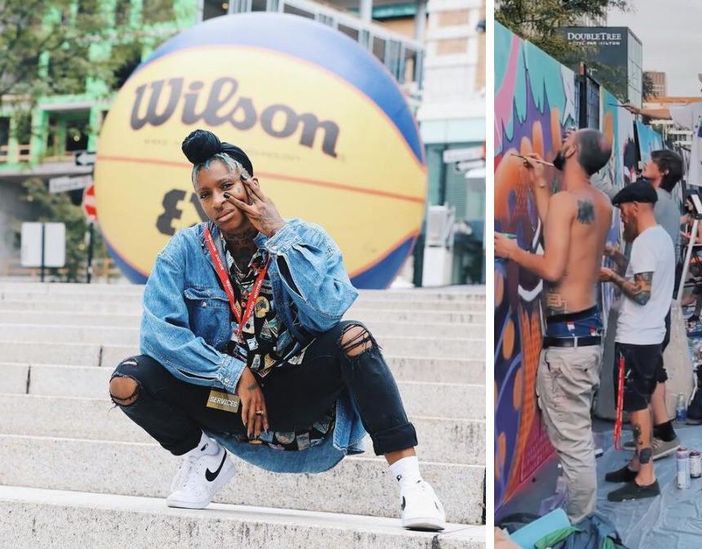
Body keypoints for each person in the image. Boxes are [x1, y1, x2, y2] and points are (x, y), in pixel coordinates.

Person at [108, 129, 445, 531]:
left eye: (227, 187)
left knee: (354, 338)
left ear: (252, 184)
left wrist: (279, 235)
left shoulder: (306, 239)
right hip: (225, 401)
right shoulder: (183, 252)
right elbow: (159, 336)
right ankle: (204, 458)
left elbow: (327, 314)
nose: (217, 202)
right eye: (206, 194)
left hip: (292, 396)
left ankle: (413, 484)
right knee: (128, 382)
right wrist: (234, 376)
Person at [494, 128, 613, 524]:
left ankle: (582, 525)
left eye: (568, 136)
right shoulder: (599, 203)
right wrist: (542, 186)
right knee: (575, 435)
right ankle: (582, 517)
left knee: (575, 443)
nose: (561, 138)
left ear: (572, 150)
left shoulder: (567, 202)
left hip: (567, 343)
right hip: (585, 334)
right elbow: (563, 235)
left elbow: (553, 266)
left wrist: (511, 250)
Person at [626, 73, 702, 281]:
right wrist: (639, 110)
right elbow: (670, 113)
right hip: (701, 177)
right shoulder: (699, 109)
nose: (701, 91)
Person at [599, 182, 676, 502]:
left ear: (635, 206)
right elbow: (646, 282)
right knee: (638, 400)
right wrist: (620, 260)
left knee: (636, 404)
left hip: (636, 337)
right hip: (649, 335)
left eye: (622, 210)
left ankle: (646, 476)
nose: (622, 217)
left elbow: (641, 293)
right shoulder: (661, 238)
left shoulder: (645, 242)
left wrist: (611, 276)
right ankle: (636, 465)